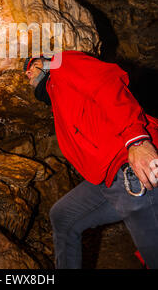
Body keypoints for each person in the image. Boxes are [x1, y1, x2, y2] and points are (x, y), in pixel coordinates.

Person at [24, 50, 158, 269]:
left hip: (132, 167)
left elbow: (108, 83)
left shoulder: (63, 62)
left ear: (45, 60)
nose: (28, 72)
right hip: (110, 180)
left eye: (32, 64)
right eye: (25, 72)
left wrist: (137, 140)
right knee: (63, 216)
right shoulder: (59, 96)